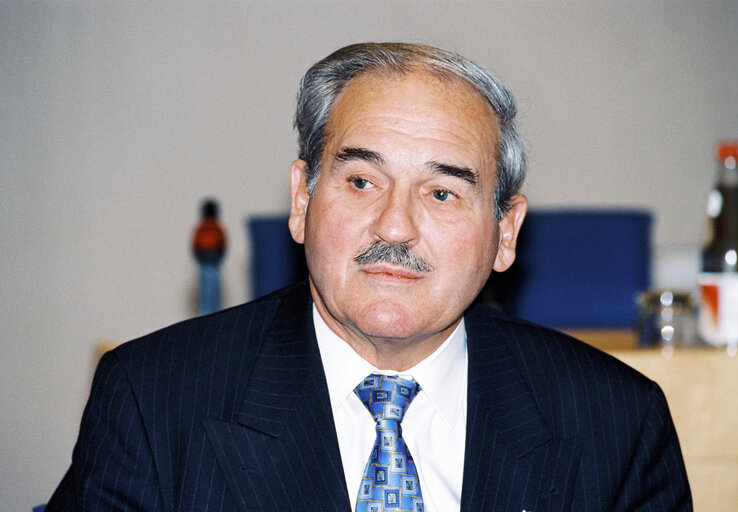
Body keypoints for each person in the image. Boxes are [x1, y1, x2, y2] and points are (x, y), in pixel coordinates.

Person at [47, 42, 692, 511]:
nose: (394, 227)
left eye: (442, 193)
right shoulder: (152, 401)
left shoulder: (618, 425)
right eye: (361, 181)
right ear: (302, 200)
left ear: (505, 233)